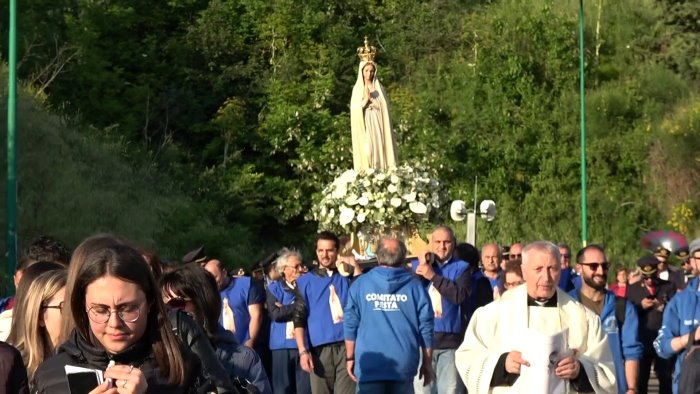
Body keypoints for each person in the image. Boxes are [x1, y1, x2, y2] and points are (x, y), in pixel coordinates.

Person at [33, 242, 214, 393]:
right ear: (82, 307)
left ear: (150, 302)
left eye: (127, 309)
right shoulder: (51, 375)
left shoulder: (182, 368)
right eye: (100, 310)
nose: (114, 323)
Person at [455, 241, 616, 394]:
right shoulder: (493, 314)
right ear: (524, 271)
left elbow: (606, 373)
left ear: (561, 269)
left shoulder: (584, 318)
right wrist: (502, 365)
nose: (546, 278)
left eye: (552, 268)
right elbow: (467, 359)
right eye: (538, 269)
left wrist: (579, 370)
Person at [160, 263, 272, 394]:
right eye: (163, 308)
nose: (171, 314)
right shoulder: (157, 361)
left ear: (203, 304)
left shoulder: (243, 360)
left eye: (176, 303)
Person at [344, 237, 434, 393]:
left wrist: (350, 357)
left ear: (377, 257)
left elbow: (350, 324)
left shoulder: (360, 284)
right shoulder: (416, 287)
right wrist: (427, 362)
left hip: (370, 362)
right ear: (403, 257)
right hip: (403, 364)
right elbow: (426, 327)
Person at [292, 231, 362, 394]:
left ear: (337, 251)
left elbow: (361, 297)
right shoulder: (305, 281)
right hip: (319, 352)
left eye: (330, 250)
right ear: (316, 252)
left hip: (347, 348)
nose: (325, 255)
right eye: (321, 250)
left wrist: (355, 266)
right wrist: (303, 351)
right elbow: (299, 318)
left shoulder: (347, 277)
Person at [568, 245, 643, 394]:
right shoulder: (566, 304)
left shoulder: (623, 307)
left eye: (604, 266)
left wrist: (632, 389)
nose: (600, 271)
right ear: (579, 268)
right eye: (593, 266)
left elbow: (631, 352)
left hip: (614, 389)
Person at [412, 226, 470, 394]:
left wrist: (433, 277)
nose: (442, 246)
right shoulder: (418, 266)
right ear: (431, 243)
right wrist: (423, 267)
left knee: (450, 390)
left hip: (450, 343)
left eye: (447, 242)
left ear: (454, 244)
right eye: (437, 242)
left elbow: (459, 296)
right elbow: (410, 294)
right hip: (422, 342)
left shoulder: (462, 267)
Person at [654, 238, 700, 394]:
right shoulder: (680, 301)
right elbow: (662, 347)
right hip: (688, 384)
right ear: (692, 262)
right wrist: (691, 337)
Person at [626, 255, 677, 394]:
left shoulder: (668, 286)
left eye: (652, 276)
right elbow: (627, 314)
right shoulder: (633, 289)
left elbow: (676, 310)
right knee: (641, 380)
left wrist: (663, 306)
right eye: (646, 277)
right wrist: (640, 306)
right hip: (642, 339)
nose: (649, 280)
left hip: (663, 338)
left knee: (665, 379)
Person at [7, 269, 67, 384]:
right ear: (39, 316)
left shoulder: (91, 364)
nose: (74, 315)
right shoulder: (12, 365)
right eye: (65, 308)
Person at [266, 249, 311, 394]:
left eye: (301, 266)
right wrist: (299, 306)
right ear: (284, 269)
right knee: (282, 389)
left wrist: (286, 307)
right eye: (296, 267)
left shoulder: (308, 286)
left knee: (305, 388)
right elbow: (276, 314)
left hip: (304, 344)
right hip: (281, 346)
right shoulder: (274, 288)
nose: (300, 270)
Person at [350, 37, 397, 172]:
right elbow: (354, 109)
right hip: (365, 122)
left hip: (377, 121)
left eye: (371, 71)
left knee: (379, 147)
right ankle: (368, 172)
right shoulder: (357, 89)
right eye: (366, 71)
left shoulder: (379, 88)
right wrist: (364, 103)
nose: (369, 73)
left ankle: (381, 171)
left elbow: (384, 106)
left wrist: (377, 105)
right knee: (368, 150)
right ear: (362, 71)